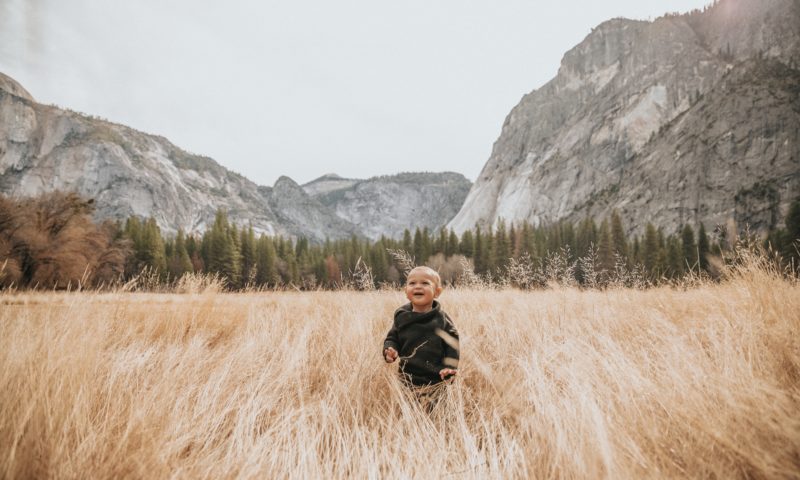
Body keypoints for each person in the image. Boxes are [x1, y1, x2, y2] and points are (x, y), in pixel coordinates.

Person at [383, 266, 459, 387]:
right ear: (406, 291)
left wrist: (449, 368)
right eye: (412, 283)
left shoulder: (441, 319)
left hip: (437, 377)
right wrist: (390, 350)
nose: (418, 286)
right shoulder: (402, 316)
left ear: (437, 292)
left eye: (425, 283)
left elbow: (452, 343)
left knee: (437, 405)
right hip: (407, 377)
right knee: (407, 404)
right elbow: (393, 338)